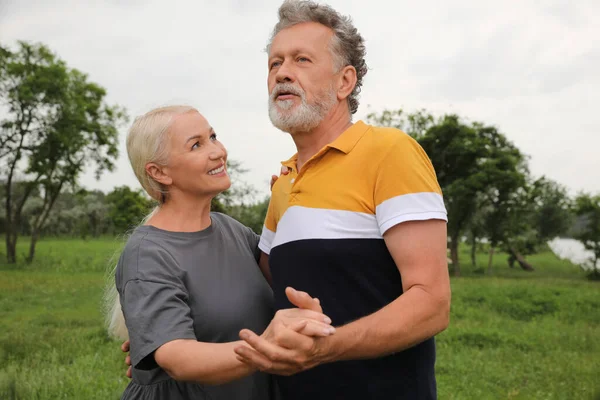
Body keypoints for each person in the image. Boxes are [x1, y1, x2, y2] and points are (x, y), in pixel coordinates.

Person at [231, 1, 451, 399]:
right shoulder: (283, 182)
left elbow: (431, 303)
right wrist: (169, 335)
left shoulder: (390, 152)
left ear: (344, 82)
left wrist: (325, 349)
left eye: (301, 59)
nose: (282, 72)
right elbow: (262, 289)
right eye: (274, 63)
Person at [109, 105, 336, 400]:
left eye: (213, 137)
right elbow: (176, 358)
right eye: (196, 145)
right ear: (159, 172)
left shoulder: (231, 230)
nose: (218, 151)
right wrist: (263, 347)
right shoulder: (148, 254)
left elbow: (285, 273)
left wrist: (289, 208)